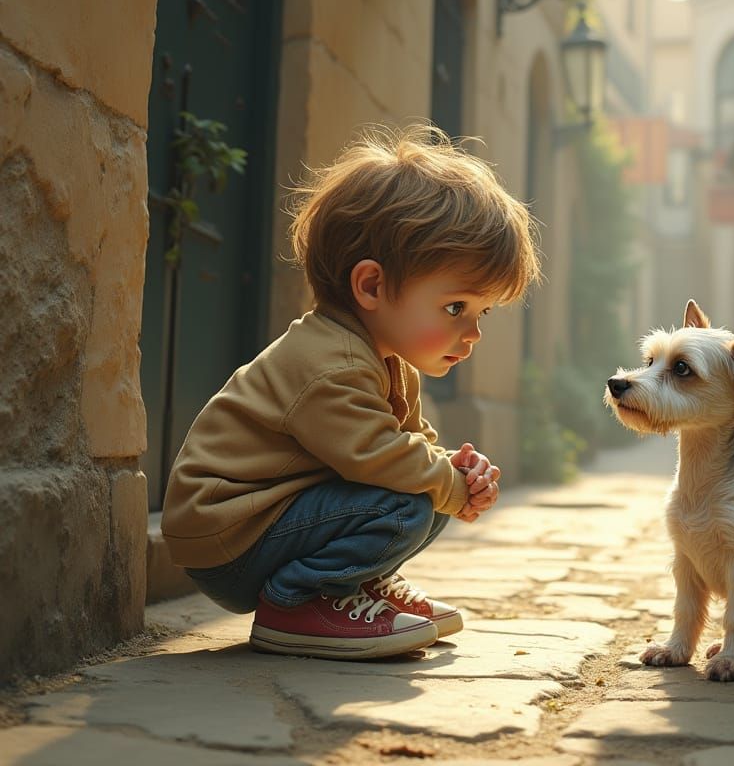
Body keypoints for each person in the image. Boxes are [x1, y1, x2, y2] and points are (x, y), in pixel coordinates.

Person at [160, 123, 542, 660]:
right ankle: (295, 604)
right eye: (456, 308)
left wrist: (458, 472)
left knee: (426, 492)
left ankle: (351, 586)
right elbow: (377, 455)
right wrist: (446, 483)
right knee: (412, 500)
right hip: (229, 535)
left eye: (483, 313)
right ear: (371, 286)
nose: (473, 332)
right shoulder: (330, 363)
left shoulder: (385, 358)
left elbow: (411, 444)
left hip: (269, 523)